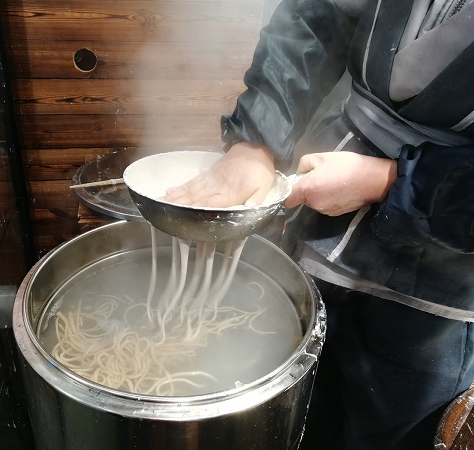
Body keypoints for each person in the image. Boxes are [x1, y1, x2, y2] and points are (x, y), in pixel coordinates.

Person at [165, 0, 474, 449]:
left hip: (438, 290)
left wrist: (388, 181)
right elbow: (317, 16)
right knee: (295, 414)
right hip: (321, 222)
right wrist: (255, 141)